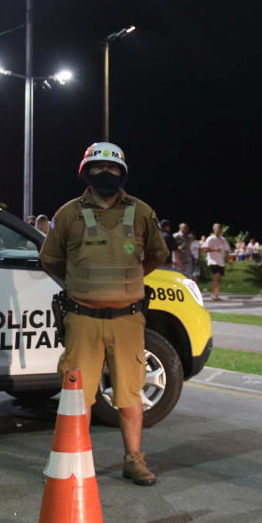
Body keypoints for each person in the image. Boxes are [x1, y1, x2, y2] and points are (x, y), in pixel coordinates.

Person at [39, 142, 168, 486]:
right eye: (97, 168)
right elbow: (49, 259)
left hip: (128, 320)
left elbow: (156, 254)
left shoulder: (141, 212)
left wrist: (129, 283)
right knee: (76, 394)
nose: (105, 173)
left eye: (112, 169)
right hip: (82, 319)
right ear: (86, 172)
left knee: (130, 392)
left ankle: (134, 460)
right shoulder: (68, 213)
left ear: (122, 174)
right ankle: (71, 461)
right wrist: (80, 283)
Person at [203, 223, 230, 301]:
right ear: (214, 230)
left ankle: (216, 294)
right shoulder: (210, 239)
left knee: (219, 278)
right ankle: (213, 294)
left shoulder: (223, 239)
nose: (219, 231)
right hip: (213, 261)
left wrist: (230, 259)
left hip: (220, 261)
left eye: (220, 229)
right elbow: (205, 249)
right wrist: (214, 249)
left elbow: (226, 250)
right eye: (217, 229)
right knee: (217, 275)